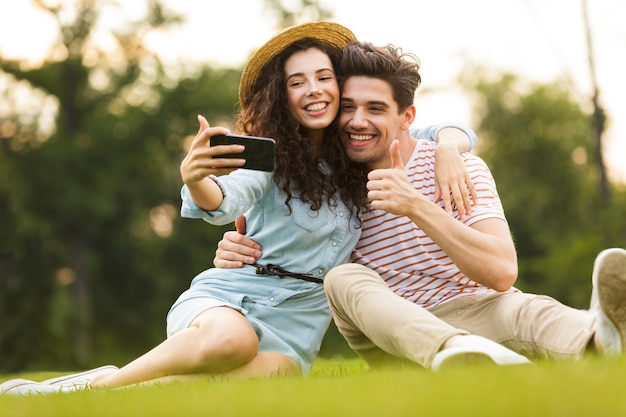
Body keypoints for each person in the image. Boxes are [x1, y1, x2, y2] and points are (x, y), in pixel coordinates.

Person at [0, 22, 478, 396]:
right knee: (234, 343)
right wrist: (196, 178)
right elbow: (225, 201)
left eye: (323, 77)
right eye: (297, 81)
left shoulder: (358, 150)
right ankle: (94, 386)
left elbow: (433, 127)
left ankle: (88, 392)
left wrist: (452, 147)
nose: (313, 89)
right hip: (237, 296)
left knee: (240, 382)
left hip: (298, 323)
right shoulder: (268, 155)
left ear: (339, 85)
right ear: (282, 94)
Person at [213, 40, 626, 370]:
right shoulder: (326, 183)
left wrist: (416, 204)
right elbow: (269, 224)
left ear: (406, 116)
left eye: (376, 109)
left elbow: (501, 273)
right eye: (349, 108)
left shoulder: (459, 166)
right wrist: (238, 248)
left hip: (482, 306)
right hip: (394, 334)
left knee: (527, 309)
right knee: (343, 277)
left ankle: (601, 338)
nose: (358, 122)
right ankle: (455, 351)